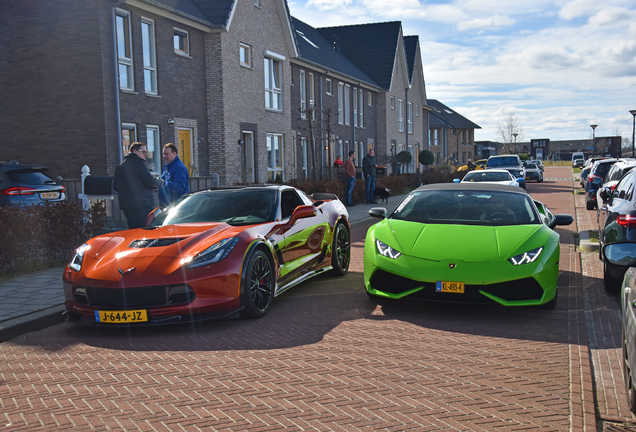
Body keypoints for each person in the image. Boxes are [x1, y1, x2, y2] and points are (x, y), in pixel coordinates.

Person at [113, 142, 163, 229]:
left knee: (133, 231)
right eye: (143, 152)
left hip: (127, 206)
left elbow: (115, 186)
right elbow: (150, 181)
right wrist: (160, 182)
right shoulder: (140, 163)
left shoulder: (120, 167)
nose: (146, 155)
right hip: (142, 206)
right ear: (135, 151)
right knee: (145, 231)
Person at [159, 143, 190, 207]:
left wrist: (165, 183)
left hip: (177, 207)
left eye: (167, 154)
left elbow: (180, 186)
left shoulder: (179, 167)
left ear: (174, 154)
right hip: (167, 206)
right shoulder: (167, 166)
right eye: (163, 154)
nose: (164, 156)